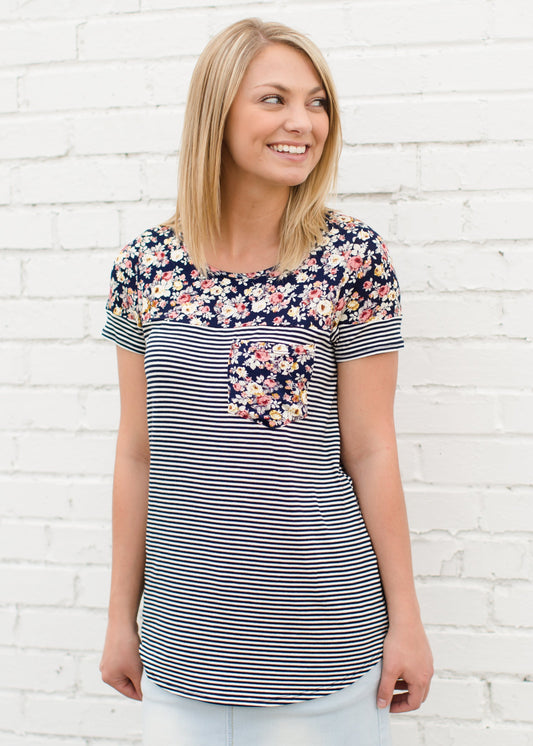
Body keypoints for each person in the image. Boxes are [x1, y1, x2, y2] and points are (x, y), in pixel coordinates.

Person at [99, 17, 433, 746]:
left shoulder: (351, 258)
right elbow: (138, 453)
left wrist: (406, 619)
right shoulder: (145, 265)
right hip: (180, 649)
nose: (302, 123)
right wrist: (119, 620)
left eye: (316, 103)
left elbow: (371, 448)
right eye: (274, 100)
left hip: (324, 651)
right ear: (216, 112)